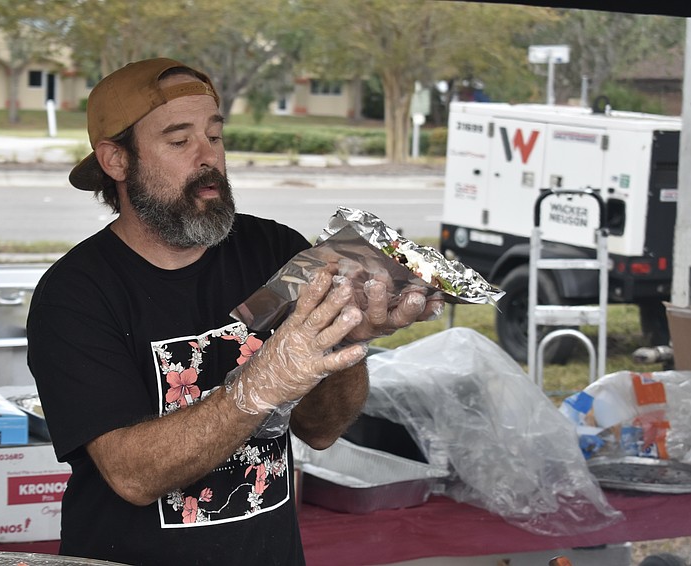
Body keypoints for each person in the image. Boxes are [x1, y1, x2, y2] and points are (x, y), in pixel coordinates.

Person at [26, 57, 443, 566]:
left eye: (215, 135)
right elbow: (132, 475)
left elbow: (320, 429)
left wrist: (346, 339)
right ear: (116, 160)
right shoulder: (75, 294)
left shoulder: (275, 251)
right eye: (179, 141)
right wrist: (261, 384)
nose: (208, 157)